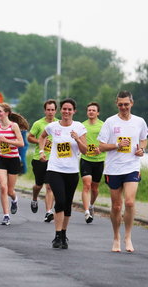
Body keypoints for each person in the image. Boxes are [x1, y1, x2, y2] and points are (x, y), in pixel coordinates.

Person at [97, 90, 148, 253]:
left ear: (131, 104)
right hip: (113, 168)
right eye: (120, 104)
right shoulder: (110, 122)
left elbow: (143, 139)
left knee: (129, 202)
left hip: (131, 166)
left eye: (126, 104)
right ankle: (116, 237)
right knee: (116, 206)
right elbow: (101, 146)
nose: (123, 107)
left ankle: (127, 237)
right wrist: (117, 146)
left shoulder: (139, 121)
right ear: (117, 104)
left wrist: (141, 149)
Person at [38, 98, 87, 249]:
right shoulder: (53, 126)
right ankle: (57, 235)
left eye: (69, 109)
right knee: (60, 200)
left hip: (71, 171)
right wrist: (41, 151)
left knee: (67, 204)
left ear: (74, 111)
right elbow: (41, 137)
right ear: (61, 111)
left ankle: (64, 234)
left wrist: (77, 139)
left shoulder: (79, 127)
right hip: (55, 169)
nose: (66, 112)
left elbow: (85, 150)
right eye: (64, 109)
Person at [0, 102, 28, 225]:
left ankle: (14, 199)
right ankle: (6, 215)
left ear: (7, 113)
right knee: (2, 186)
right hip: (2, 159)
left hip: (13, 160)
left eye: (0, 111)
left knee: (10, 191)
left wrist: (6, 140)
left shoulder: (14, 126)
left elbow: (21, 143)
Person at [28, 100, 58, 222]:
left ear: (55, 111)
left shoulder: (59, 123)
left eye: (52, 110)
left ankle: (48, 212)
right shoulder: (38, 124)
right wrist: (41, 142)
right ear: (45, 110)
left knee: (50, 186)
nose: (50, 112)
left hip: (54, 159)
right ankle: (34, 198)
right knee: (38, 185)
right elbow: (29, 137)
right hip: (39, 159)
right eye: (48, 110)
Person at [80, 102, 106, 224]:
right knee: (87, 185)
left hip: (99, 160)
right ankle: (86, 212)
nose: (91, 112)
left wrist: (100, 149)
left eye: (93, 110)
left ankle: (91, 205)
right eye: (89, 110)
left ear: (98, 113)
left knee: (95, 188)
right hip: (86, 159)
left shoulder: (103, 125)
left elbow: (108, 141)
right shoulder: (82, 125)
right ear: (87, 112)